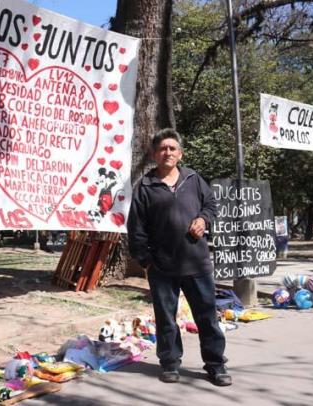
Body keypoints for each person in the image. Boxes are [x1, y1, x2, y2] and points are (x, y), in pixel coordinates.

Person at [127, 128, 230, 386]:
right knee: (166, 319)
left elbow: (211, 205)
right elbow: (136, 228)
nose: (168, 152)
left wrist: (203, 220)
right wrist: (145, 260)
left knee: (207, 317)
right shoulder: (145, 186)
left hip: (197, 263)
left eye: (172, 148)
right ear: (154, 154)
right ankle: (170, 363)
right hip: (162, 267)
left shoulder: (194, 179)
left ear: (180, 154)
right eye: (162, 148)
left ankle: (216, 365)